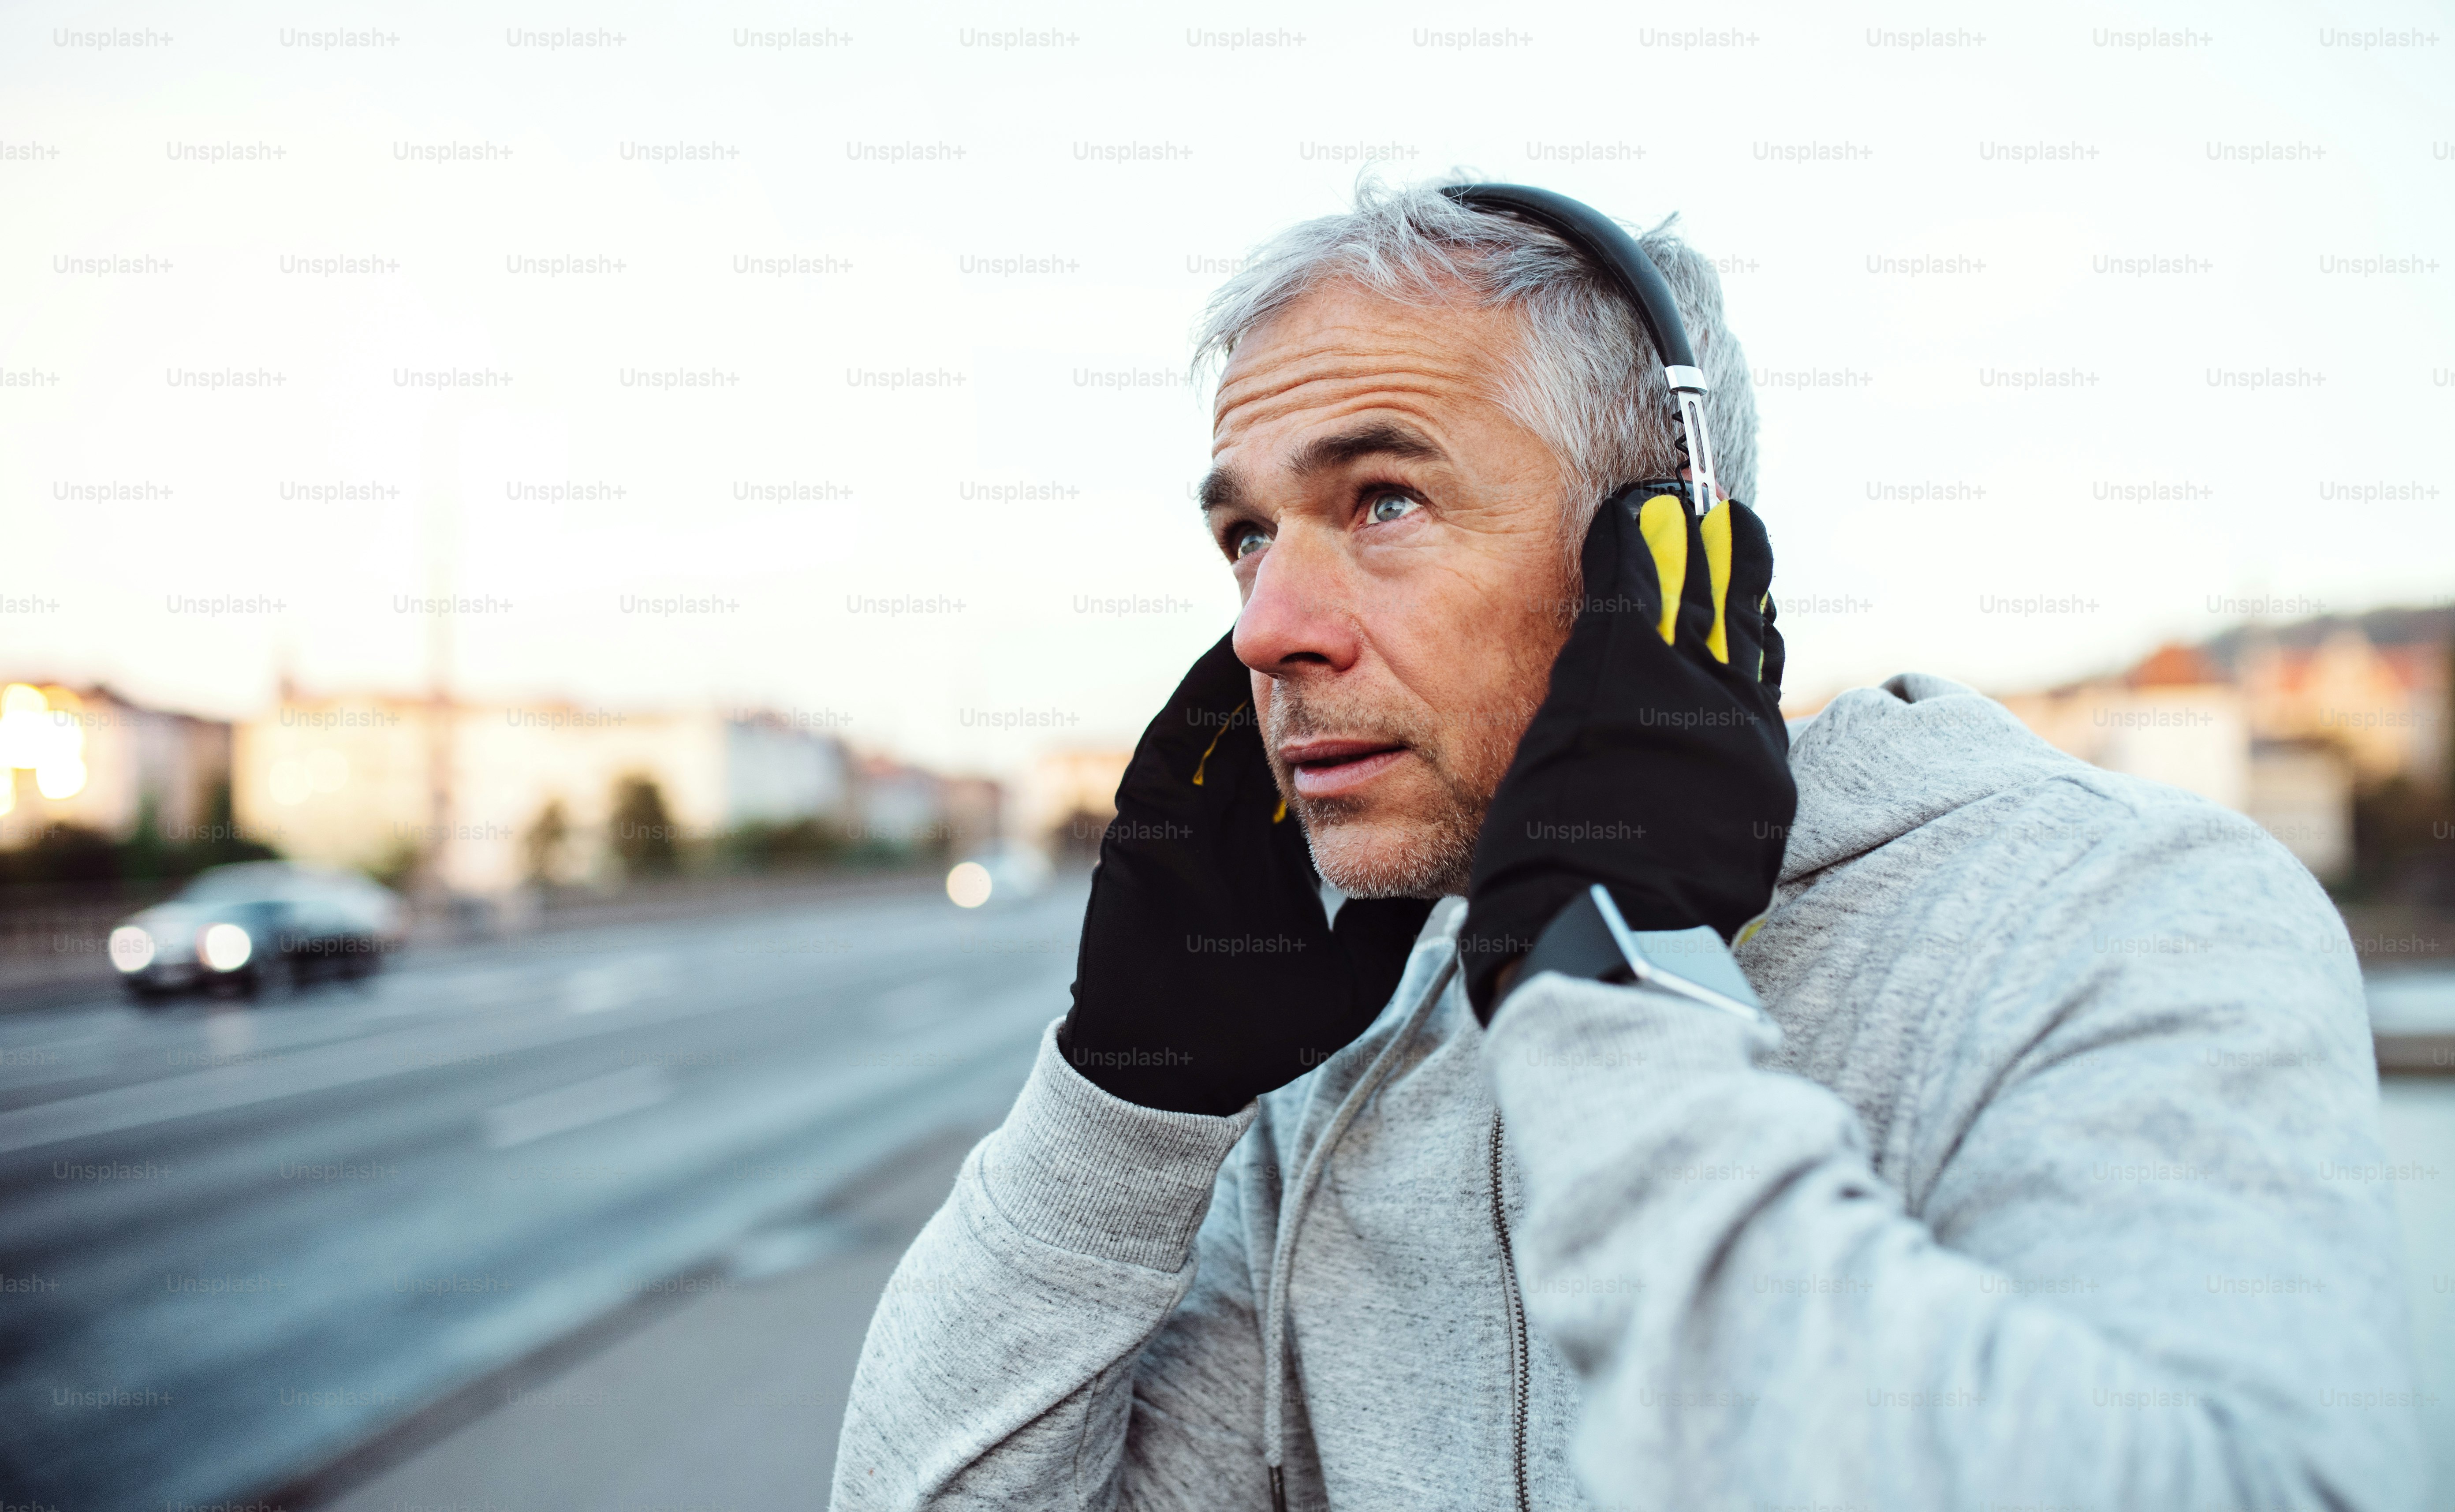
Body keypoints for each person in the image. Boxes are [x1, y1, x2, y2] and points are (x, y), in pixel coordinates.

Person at [828, 179, 2423, 1511]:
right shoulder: (1344, 1051)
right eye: (1248, 535)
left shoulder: (2116, 917)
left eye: (1382, 500)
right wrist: (1126, 1108)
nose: (1266, 628)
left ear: (1664, 550)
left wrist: (1609, 999)